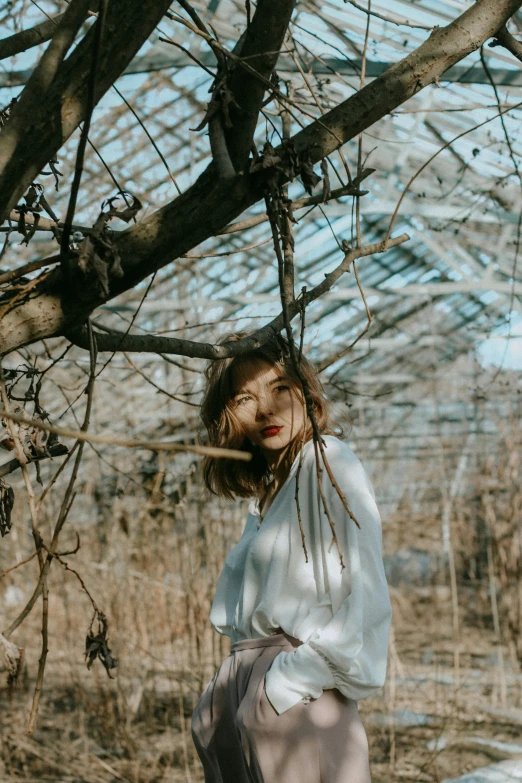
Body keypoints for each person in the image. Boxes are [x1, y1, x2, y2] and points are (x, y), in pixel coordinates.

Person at [191, 330, 392, 783]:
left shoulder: (327, 460)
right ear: (228, 414)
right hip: (251, 688)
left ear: (305, 391)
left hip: (295, 692)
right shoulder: (268, 493)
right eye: (245, 398)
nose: (266, 409)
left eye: (280, 388)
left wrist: (286, 684)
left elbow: (365, 591)